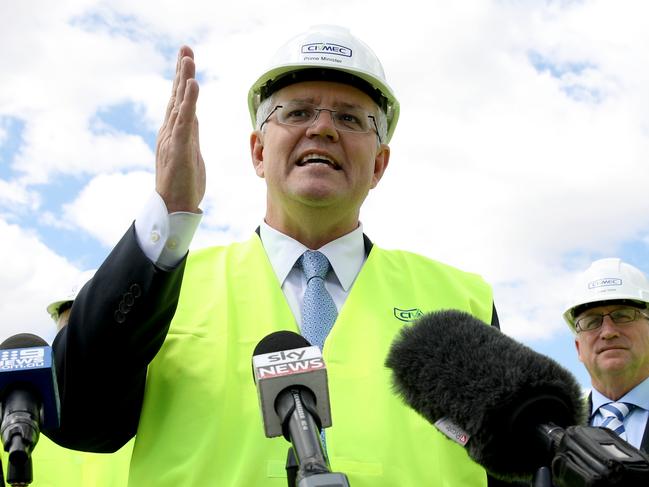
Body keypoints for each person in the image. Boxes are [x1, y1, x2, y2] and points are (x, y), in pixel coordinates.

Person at [46, 25, 505, 486]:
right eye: (298, 112)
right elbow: (81, 420)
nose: (322, 128)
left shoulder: (460, 300)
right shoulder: (168, 285)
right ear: (259, 151)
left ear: (379, 165)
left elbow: (511, 464)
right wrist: (169, 214)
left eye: (349, 119)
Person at [1, 270, 133, 487]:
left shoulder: (151, 400)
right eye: (71, 328)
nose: (80, 342)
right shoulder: (15, 417)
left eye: (92, 327)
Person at [563, 257, 649, 453]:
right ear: (578, 348)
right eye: (592, 321)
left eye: (623, 315)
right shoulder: (559, 432)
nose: (608, 332)